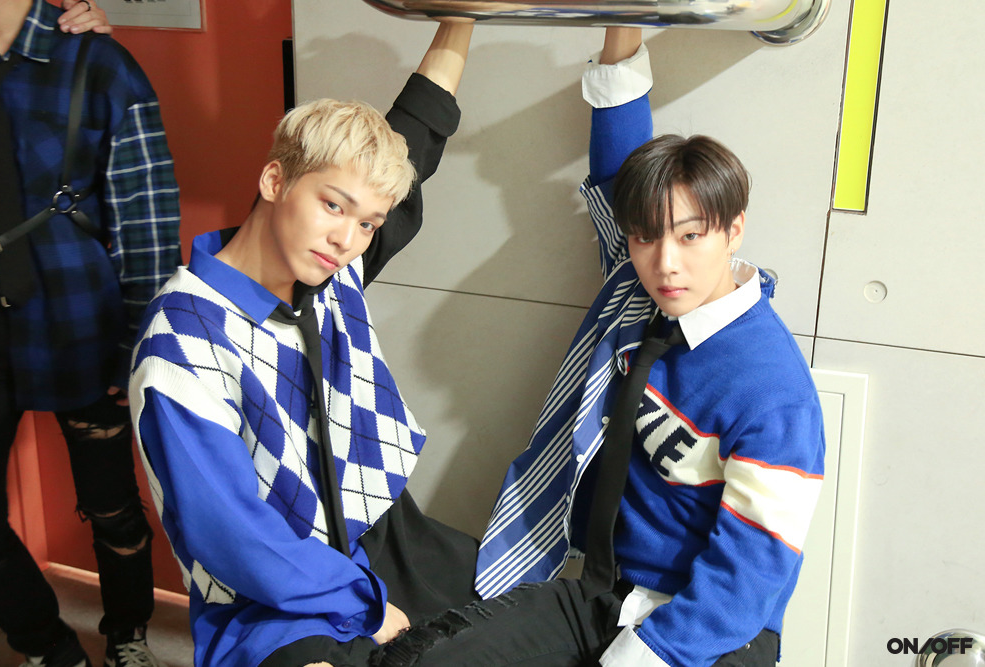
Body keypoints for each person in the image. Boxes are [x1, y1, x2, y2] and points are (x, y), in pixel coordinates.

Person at [374, 27, 825, 667]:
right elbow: (619, 164)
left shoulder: (773, 390)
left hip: (711, 628)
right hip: (605, 594)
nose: (666, 263)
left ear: (733, 230)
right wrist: (621, 21)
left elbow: (749, 578)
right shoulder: (636, 290)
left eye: (691, 236)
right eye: (645, 237)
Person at [129, 22, 478, 667]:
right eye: (333, 206)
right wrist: (362, 601)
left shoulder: (328, 269)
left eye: (368, 223)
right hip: (275, 595)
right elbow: (234, 536)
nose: (347, 239)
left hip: (385, 540)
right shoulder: (181, 341)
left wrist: (461, 16)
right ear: (274, 181)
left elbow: (420, 132)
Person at [0, 0, 180, 665]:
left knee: (109, 501)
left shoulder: (98, 63)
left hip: (79, 318)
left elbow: (147, 219)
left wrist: (140, 344)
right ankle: (47, 646)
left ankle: (128, 634)